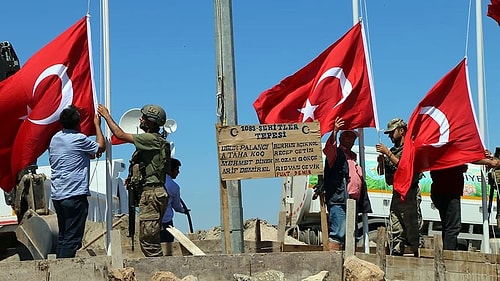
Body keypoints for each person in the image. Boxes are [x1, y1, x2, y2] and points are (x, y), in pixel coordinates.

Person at [97, 104, 169, 257]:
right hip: (151, 193)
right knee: (149, 238)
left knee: (149, 241)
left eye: (144, 118)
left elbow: (120, 135)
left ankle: (161, 273)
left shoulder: (152, 139)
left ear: (152, 122)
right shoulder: (152, 141)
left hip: (152, 194)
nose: (140, 120)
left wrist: (106, 116)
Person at [49, 105, 105, 258]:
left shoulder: (55, 139)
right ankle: (63, 271)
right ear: (78, 123)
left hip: (58, 195)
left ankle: (56, 270)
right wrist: (96, 125)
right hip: (74, 195)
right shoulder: (78, 139)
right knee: (72, 239)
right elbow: (101, 147)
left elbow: (78, 155)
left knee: (64, 236)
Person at [430, 153, 500, 251]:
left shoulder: (442, 150)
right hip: (448, 191)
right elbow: (465, 156)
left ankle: (448, 253)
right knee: (452, 227)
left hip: (442, 189)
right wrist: (488, 161)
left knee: (449, 225)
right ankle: (449, 255)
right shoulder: (450, 148)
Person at [376, 118, 423, 256]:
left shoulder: (411, 148)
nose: (390, 136)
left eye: (392, 132)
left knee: (413, 229)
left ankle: (416, 254)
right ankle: (395, 254)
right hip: (397, 193)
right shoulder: (393, 150)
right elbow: (381, 172)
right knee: (395, 229)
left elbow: (404, 167)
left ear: (401, 131)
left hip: (410, 193)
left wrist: (388, 154)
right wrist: (381, 162)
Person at [319, 117, 364, 251]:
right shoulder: (336, 153)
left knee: (351, 234)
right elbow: (328, 148)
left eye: (352, 136)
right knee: (339, 233)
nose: (350, 139)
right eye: (347, 136)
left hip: (352, 202)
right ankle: (334, 265)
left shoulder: (353, 156)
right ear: (341, 138)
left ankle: (350, 264)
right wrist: (334, 131)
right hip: (339, 200)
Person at [160, 158, 186, 256]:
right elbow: (176, 206)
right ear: (171, 170)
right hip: (166, 223)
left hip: (152, 222)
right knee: (167, 250)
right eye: (177, 169)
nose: (178, 172)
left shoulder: (155, 182)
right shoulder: (174, 186)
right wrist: (184, 211)